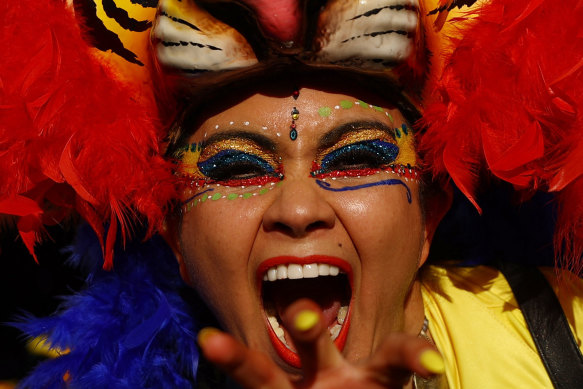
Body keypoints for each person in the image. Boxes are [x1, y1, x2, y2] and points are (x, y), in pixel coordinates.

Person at [1, 0, 582, 388]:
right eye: (235, 169)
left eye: (357, 158)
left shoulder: (569, 334)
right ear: (176, 235)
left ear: (431, 215)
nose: (298, 209)